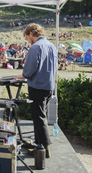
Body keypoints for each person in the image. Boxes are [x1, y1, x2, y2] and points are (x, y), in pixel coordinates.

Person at [14, 23, 57, 158]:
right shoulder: (52, 46)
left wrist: (23, 75)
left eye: (27, 38)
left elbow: (29, 69)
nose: (27, 40)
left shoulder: (35, 47)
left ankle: (45, 147)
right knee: (41, 115)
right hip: (49, 86)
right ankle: (39, 144)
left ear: (31, 34)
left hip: (38, 86)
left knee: (39, 117)